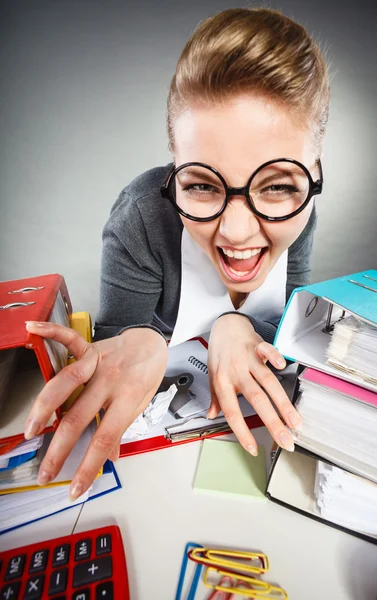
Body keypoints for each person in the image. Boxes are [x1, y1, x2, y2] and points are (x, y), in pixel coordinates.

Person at [24, 7, 330, 501]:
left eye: (275, 186)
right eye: (203, 185)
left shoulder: (302, 211)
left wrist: (241, 326)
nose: (236, 230)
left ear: (313, 175)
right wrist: (142, 338)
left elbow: (293, 321)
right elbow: (118, 346)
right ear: (174, 170)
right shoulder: (142, 216)